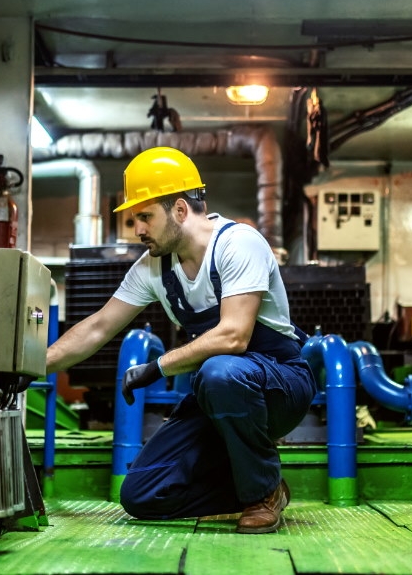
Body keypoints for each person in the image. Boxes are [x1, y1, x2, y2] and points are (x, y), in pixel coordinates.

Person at [45, 146, 316, 533]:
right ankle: (261, 484)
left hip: (280, 384)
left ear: (180, 209)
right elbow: (98, 327)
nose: (138, 230)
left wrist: (157, 367)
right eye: (135, 218)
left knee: (220, 372)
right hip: (218, 393)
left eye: (145, 216)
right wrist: (33, 364)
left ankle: (260, 495)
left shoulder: (238, 243)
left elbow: (235, 336)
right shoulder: (153, 268)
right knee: (141, 494)